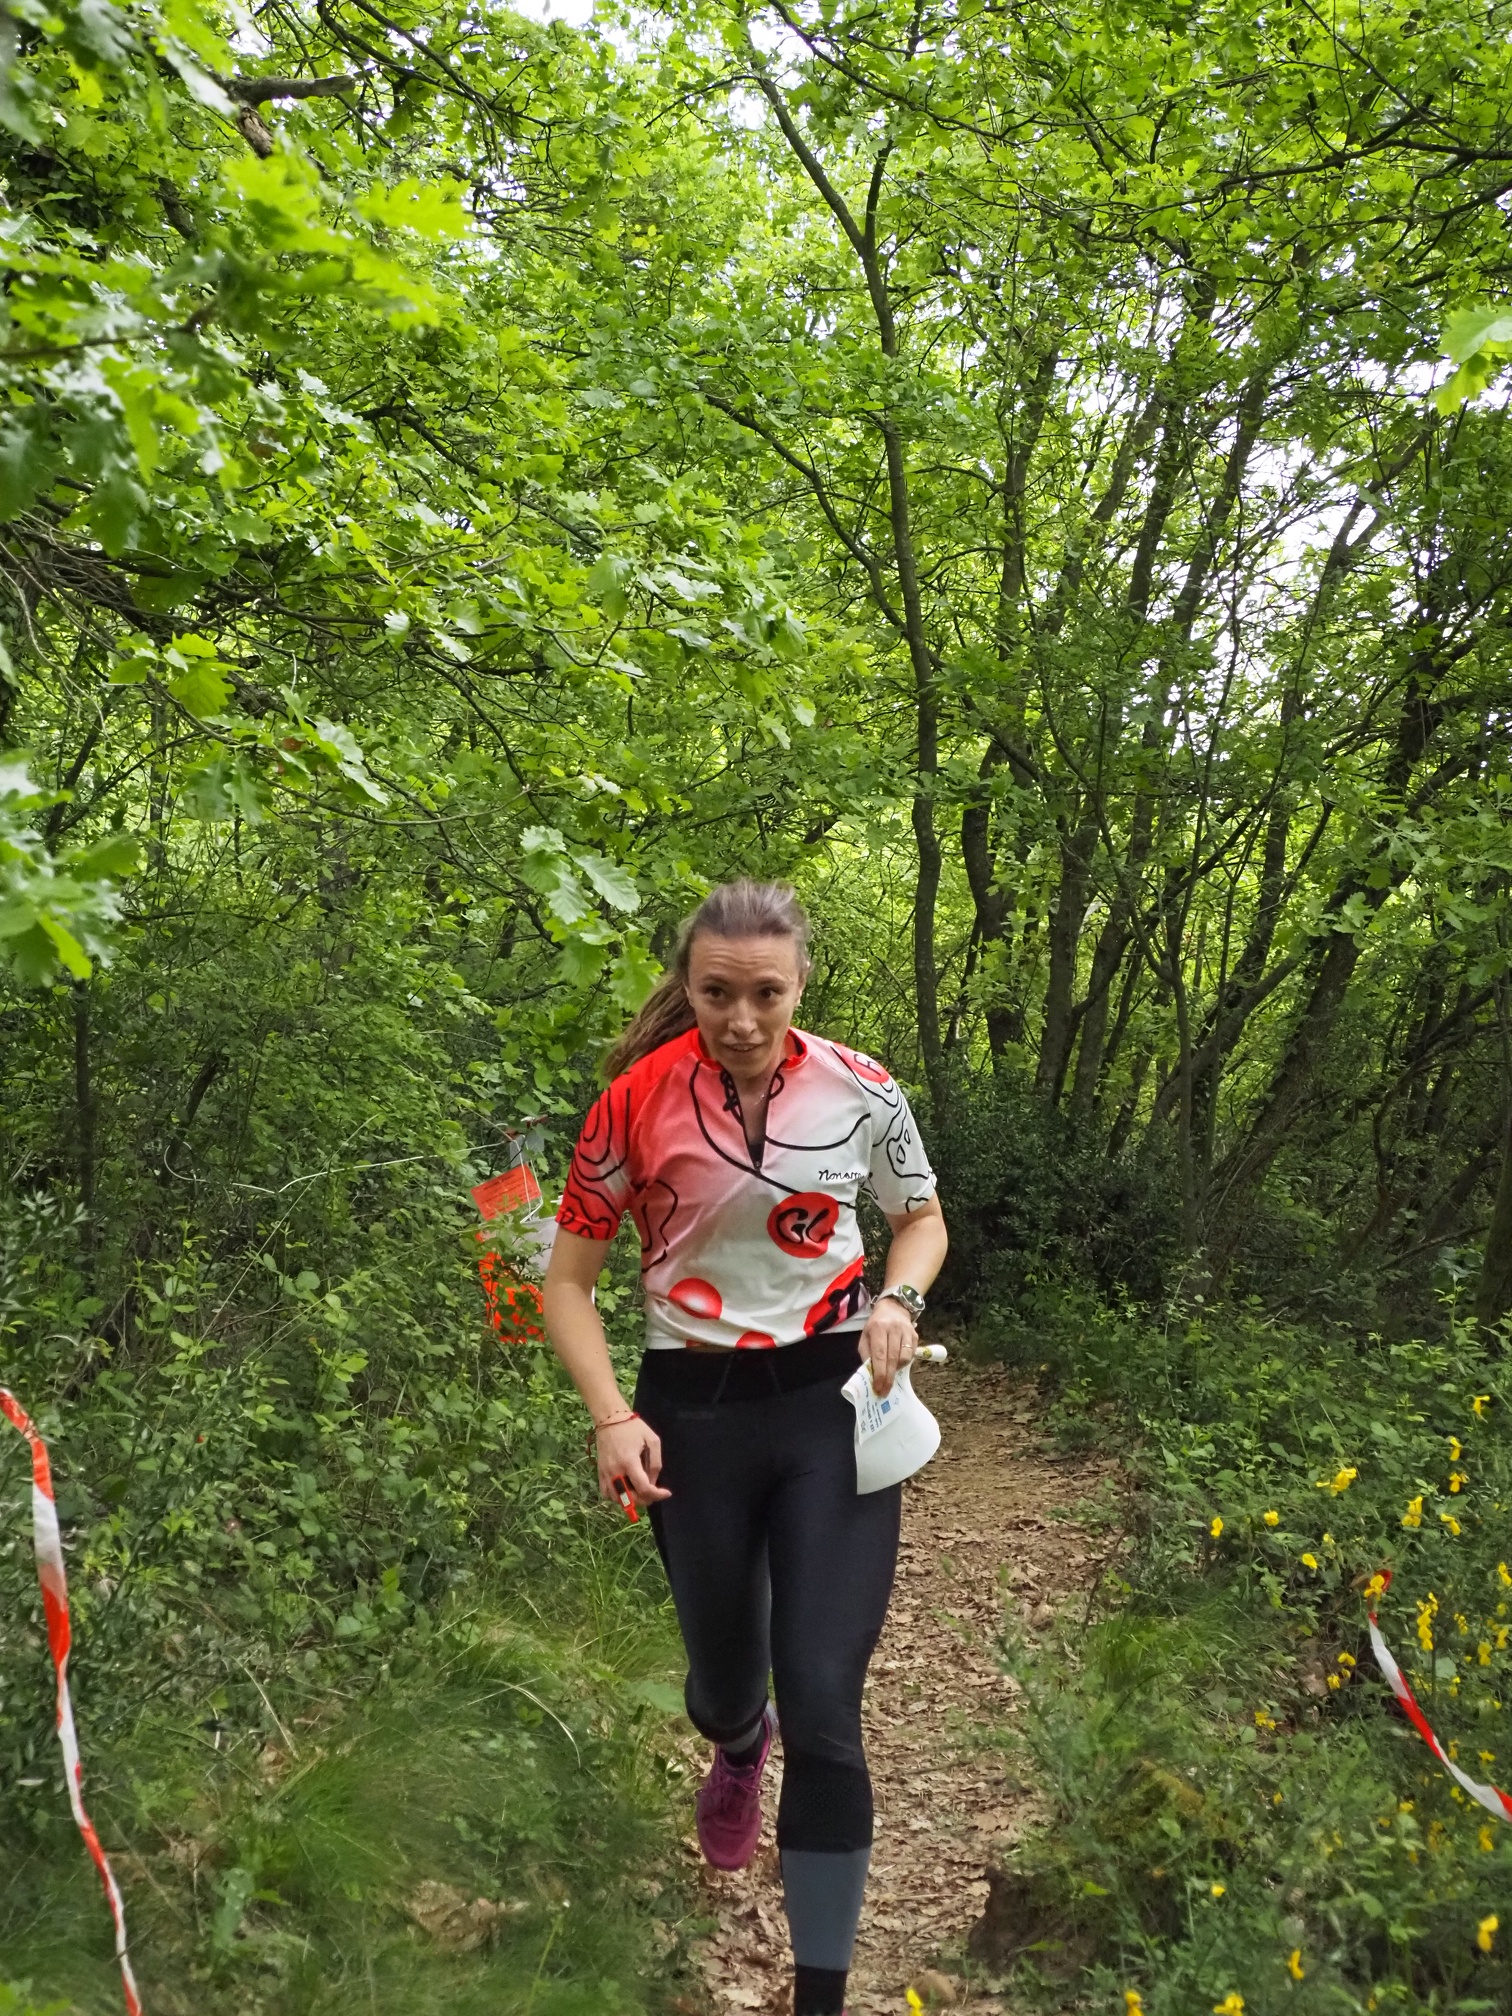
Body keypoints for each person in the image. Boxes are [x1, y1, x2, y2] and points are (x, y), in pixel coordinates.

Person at [542, 879, 948, 2016]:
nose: (742, 1017)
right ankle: (734, 1743)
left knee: (824, 1703)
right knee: (727, 1689)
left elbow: (920, 1217)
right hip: (693, 1413)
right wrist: (612, 1417)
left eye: (766, 993)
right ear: (689, 985)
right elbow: (567, 1283)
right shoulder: (632, 1104)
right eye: (717, 992)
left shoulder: (863, 1088)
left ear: (800, 985)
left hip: (833, 1403)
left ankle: (819, 1996)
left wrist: (899, 1299)